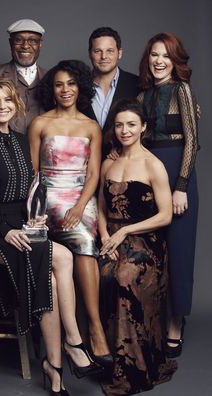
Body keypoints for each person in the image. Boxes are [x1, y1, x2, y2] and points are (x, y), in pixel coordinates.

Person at [0, 77, 102, 395]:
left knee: (52, 282)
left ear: (17, 105)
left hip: (24, 229)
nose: (2, 106)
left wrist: (34, 216)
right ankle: (74, 341)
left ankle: (53, 369)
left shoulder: (17, 138)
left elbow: (29, 189)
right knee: (65, 257)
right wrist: (6, 230)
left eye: (8, 100)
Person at [29, 60, 112, 367]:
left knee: (84, 243)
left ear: (81, 88)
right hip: (46, 197)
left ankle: (94, 326)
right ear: (52, 89)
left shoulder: (91, 127)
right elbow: (33, 173)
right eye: (59, 84)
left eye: (71, 84)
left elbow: (93, 175)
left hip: (80, 196)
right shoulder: (40, 123)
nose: (65, 90)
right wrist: (37, 211)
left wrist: (79, 207)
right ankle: (63, 337)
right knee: (52, 251)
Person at [98, 98, 177, 395]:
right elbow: (101, 207)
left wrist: (126, 231)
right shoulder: (109, 161)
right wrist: (106, 236)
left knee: (124, 276)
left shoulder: (153, 165)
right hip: (112, 238)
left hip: (146, 241)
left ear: (143, 127)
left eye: (131, 124)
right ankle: (102, 357)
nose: (124, 130)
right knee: (99, 272)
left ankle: (131, 371)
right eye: (119, 125)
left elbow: (166, 214)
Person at [137, 32, 199, 358]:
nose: (159, 61)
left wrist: (181, 186)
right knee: (155, 250)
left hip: (178, 172)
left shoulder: (181, 90)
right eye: (154, 55)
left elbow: (191, 140)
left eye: (166, 56)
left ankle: (176, 323)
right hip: (150, 173)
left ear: (175, 61)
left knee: (179, 251)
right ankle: (154, 322)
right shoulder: (143, 94)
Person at [0, 18, 46, 132]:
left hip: (40, 147)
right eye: (19, 40)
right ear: (10, 43)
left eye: (32, 40)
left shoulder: (52, 78)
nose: (25, 46)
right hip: (3, 147)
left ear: (40, 43)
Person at [86, 27, 139, 155]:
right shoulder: (78, 87)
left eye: (110, 51)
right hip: (84, 166)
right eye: (98, 51)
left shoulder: (137, 85)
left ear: (119, 53)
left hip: (123, 166)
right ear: (90, 54)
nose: (104, 57)